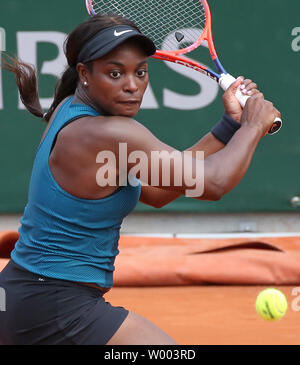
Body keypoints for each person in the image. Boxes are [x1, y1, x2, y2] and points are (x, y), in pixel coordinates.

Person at [0, 14, 280, 345]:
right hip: (55, 306)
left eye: (140, 72)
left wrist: (230, 127)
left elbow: (157, 192)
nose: (132, 85)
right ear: (84, 74)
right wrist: (252, 126)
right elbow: (214, 183)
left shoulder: (70, 111)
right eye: (115, 73)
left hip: (27, 297)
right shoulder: (110, 133)